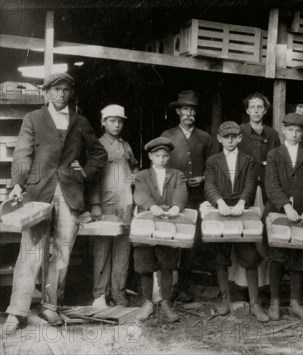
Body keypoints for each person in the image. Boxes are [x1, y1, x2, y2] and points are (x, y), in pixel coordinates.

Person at [2, 73, 107, 333]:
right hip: (39, 194)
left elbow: (98, 154)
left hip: (70, 194)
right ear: (46, 92)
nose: (61, 94)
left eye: (66, 90)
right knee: (30, 251)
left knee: (61, 253)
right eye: (56, 89)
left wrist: (83, 171)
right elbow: (23, 154)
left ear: (71, 93)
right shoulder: (33, 119)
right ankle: (17, 312)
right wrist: (17, 184)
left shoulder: (81, 122)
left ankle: (50, 307)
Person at [204, 121, 269, 322]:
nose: (230, 140)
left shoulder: (248, 160)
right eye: (226, 137)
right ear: (219, 139)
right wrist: (219, 202)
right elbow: (209, 185)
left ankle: (255, 303)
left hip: (242, 212)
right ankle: (225, 301)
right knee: (220, 257)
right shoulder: (213, 161)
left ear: (240, 138)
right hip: (221, 212)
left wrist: (242, 202)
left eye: (234, 136)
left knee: (249, 256)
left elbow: (251, 184)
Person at [264, 113, 303, 321]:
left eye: (298, 131)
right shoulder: (274, 154)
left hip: (302, 213)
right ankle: (274, 302)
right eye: (290, 130)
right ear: (284, 131)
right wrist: (286, 206)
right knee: (277, 257)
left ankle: (295, 303)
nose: (294, 134)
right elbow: (271, 184)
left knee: (299, 256)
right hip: (280, 211)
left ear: (302, 133)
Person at [161, 90, 215, 302]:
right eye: (185, 109)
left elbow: (212, 166)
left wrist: (203, 178)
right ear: (178, 111)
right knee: (172, 236)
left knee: (192, 241)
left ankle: (183, 285)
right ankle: (168, 286)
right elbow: (160, 164)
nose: (189, 113)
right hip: (174, 196)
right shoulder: (167, 135)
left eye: (192, 110)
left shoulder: (205, 137)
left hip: (197, 196)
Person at [132, 137, 187, 322]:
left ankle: (166, 303)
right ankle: (147, 302)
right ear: (150, 156)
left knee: (167, 263)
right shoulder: (142, 175)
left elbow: (181, 191)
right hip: (147, 223)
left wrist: (176, 207)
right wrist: (151, 206)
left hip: (168, 225)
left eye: (165, 156)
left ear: (169, 157)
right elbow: (140, 193)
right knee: (145, 263)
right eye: (157, 156)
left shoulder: (177, 175)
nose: (161, 159)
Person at [89, 104, 139, 308]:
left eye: (120, 121)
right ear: (103, 122)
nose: (117, 125)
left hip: (126, 203)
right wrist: (94, 204)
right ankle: (100, 293)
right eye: (112, 121)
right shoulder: (97, 146)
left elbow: (134, 165)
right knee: (102, 248)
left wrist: (134, 175)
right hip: (105, 203)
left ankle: (118, 292)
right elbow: (92, 178)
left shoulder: (126, 145)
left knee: (122, 248)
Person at [237, 92, 281, 203]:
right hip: (243, 182)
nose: (256, 111)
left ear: (265, 110)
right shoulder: (239, 131)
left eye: (260, 107)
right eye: (252, 107)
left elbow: (278, 162)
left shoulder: (272, 134)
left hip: (266, 183)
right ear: (247, 110)